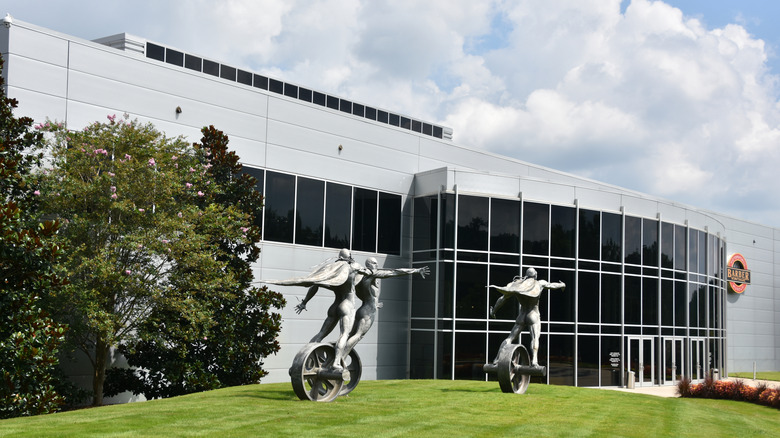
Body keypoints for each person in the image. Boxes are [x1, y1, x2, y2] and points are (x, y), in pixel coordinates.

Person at [264, 248, 371, 371]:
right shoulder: (353, 267)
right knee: (344, 334)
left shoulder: (334, 270)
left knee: (321, 334)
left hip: (334, 306)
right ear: (350, 256)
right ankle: (336, 363)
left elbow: (316, 284)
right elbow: (369, 278)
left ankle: (303, 360)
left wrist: (304, 302)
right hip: (347, 305)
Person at [343, 258, 430, 356]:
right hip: (368, 311)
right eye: (374, 263)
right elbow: (395, 272)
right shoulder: (372, 274)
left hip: (362, 309)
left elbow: (364, 294)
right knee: (358, 335)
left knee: (351, 334)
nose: (377, 265)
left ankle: (338, 356)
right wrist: (416, 270)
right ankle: (341, 357)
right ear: (369, 264)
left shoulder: (361, 276)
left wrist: (375, 303)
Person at [488, 267, 566, 366]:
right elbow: (552, 285)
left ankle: (497, 359)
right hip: (533, 315)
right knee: (535, 338)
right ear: (535, 275)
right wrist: (562, 284)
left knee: (510, 338)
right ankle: (534, 361)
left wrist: (493, 311)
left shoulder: (517, 285)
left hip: (522, 315)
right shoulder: (539, 283)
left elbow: (502, 299)